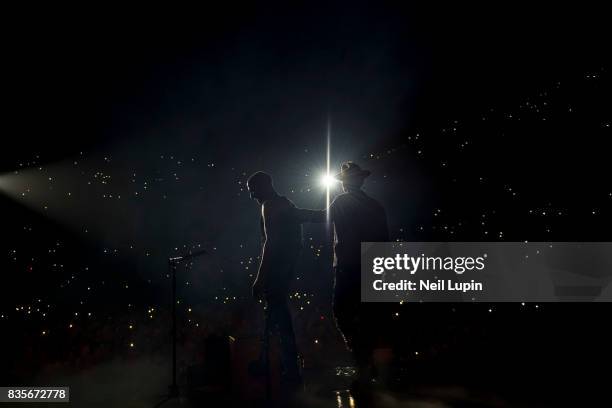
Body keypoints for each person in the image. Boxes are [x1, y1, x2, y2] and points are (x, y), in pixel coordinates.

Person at [298, 161, 389, 395]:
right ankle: (366, 363)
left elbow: (320, 217)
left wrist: (292, 214)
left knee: (343, 312)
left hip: (349, 267)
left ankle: (363, 362)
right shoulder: (376, 206)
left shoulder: (341, 202)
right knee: (366, 315)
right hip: (371, 266)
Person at [246, 171, 303, 391]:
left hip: (276, 272)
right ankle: (276, 365)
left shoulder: (269, 205)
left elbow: (269, 245)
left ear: (265, 185)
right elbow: (299, 232)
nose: (252, 196)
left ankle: (289, 372)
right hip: (284, 270)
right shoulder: (285, 203)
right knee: (276, 320)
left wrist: (260, 279)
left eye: (253, 189)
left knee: (281, 322)